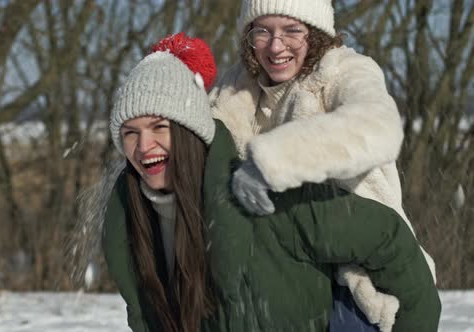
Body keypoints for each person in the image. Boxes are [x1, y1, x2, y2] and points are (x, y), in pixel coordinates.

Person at [102, 33, 440, 331]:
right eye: (130, 133)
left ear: (191, 133)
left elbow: (387, 238)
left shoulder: (260, 197)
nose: (144, 146)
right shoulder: (132, 226)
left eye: (160, 127)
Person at [209, 0, 436, 330]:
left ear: (315, 34)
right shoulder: (232, 89)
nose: (275, 46)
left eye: (292, 31)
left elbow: (378, 126)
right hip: (275, 270)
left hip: (356, 275)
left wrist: (274, 160)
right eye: (262, 31)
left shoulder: (344, 71)